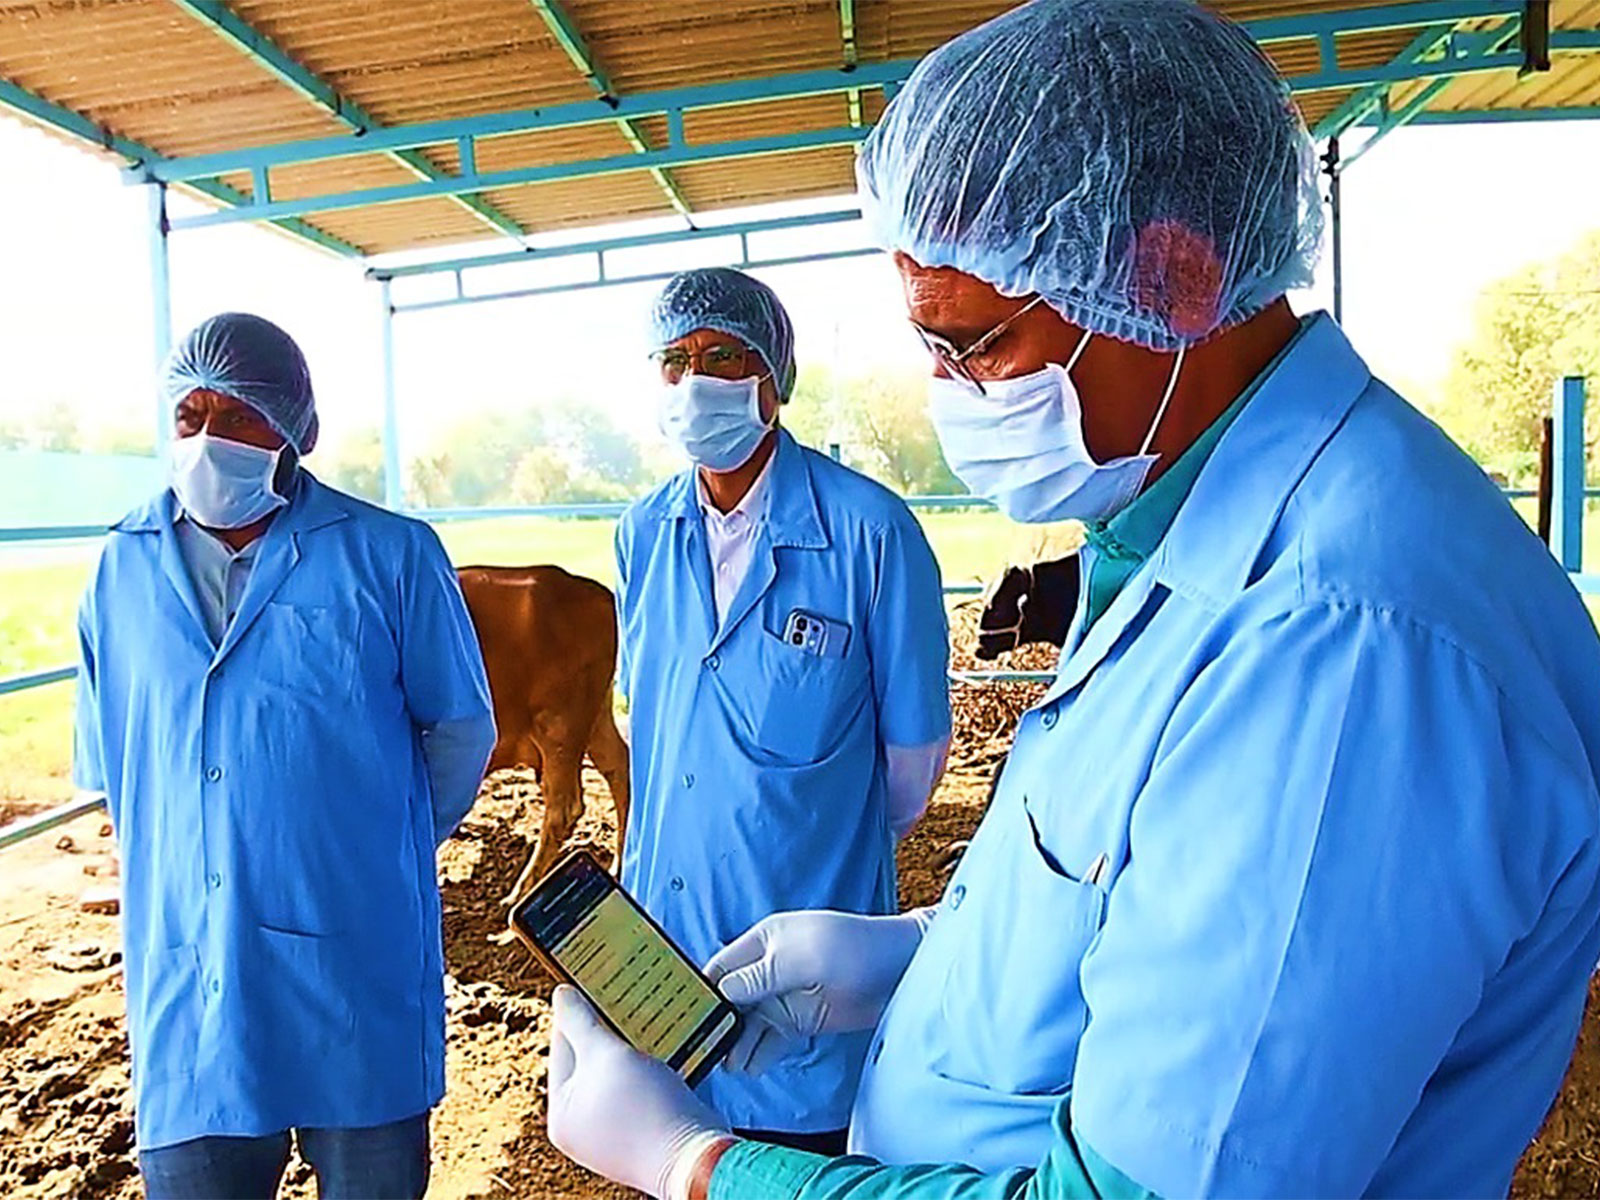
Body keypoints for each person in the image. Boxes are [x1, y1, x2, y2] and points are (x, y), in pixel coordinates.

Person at [542, 2, 1600, 1198]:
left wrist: (696, 1164)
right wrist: (924, 958)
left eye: (978, 343)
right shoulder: (1179, 521)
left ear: (1174, 277)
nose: (948, 395)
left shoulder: (1344, 648)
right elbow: (1168, 909)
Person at [73, 312, 496, 1200]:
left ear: (292, 429)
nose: (206, 440)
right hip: (194, 972)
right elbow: (115, 765)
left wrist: (374, 846)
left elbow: (460, 731)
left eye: (236, 418)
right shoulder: (121, 566)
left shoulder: (389, 554)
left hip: (353, 955)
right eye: (190, 417)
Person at [608, 266, 952, 1152]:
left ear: (774, 377)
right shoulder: (643, 533)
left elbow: (909, 774)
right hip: (661, 974)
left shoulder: (871, 533)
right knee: (674, 1160)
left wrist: (794, 829)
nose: (696, 382)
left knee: (793, 1163)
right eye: (675, 362)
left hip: (803, 984)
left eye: (723, 356)